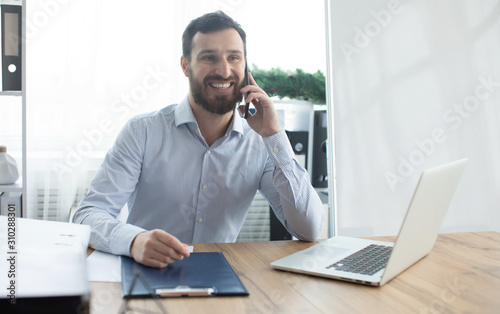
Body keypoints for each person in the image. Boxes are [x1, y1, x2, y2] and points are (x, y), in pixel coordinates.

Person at [73, 11, 323, 268]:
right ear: (185, 65)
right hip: (146, 274)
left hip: (220, 280)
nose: (224, 70)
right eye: (209, 58)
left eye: (233, 58)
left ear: (246, 67)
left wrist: (274, 135)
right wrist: (134, 240)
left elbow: (308, 229)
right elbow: (88, 214)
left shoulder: (260, 141)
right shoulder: (142, 131)